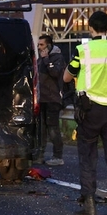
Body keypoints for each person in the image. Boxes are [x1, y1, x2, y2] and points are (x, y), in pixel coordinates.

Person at [63, 11, 107, 215]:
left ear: (90, 28)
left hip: (90, 110)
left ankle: (89, 205)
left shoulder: (83, 51)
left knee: (88, 157)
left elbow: (67, 76)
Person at [35, 34, 66, 166]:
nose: (39, 47)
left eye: (41, 45)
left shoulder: (57, 57)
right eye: (38, 45)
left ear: (48, 45)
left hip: (53, 98)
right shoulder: (39, 60)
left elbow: (55, 73)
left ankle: (58, 156)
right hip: (41, 99)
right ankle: (40, 155)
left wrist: (47, 59)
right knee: (41, 129)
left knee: (53, 128)